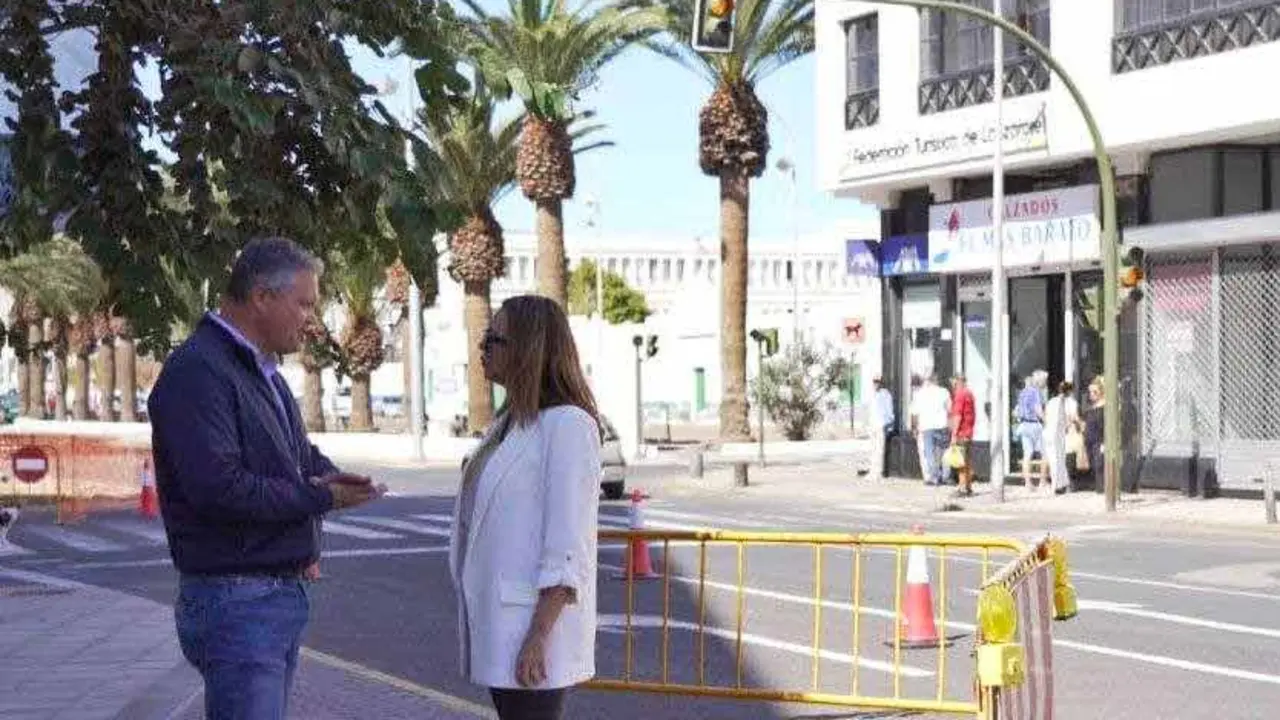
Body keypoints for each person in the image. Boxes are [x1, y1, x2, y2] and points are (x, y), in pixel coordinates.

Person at [149, 237, 385, 720]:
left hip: (265, 597)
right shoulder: (199, 371)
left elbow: (292, 456)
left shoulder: (263, 373)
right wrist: (320, 497)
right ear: (262, 297)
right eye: (303, 304)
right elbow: (219, 488)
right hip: (237, 599)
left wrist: (329, 476)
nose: (310, 319)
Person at [449, 295, 601, 720]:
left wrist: (539, 633)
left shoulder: (567, 425)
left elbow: (567, 542)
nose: (482, 350)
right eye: (484, 339)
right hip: (499, 623)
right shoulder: (508, 424)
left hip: (533, 629)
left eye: (493, 340)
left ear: (528, 349)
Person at [909, 374, 952, 486]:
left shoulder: (920, 394)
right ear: (937, 381)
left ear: (928, 381)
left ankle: (933, 477)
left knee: (929, 453)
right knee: (941, 452)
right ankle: (944, 476)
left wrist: (914, 428)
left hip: (926, 426)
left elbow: (914, 413)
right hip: (941, 425)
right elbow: (949, 410)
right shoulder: (944, 392)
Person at [1044, 381, 1081, 495]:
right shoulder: (1071, 402)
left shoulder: (1051, 402)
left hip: (1050, 433)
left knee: (1054, 459)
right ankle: (1067, 485)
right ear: (1070, 391)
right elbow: (1073, 417)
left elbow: (1046, 417)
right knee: (1068, 458)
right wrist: (1080, 426)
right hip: (1066, 433)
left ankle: (1056, 484)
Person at [1014, 374, 1047, 490]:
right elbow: (1038, 409)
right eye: (1044, 381)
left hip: (1024, 425)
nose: (1045, 383)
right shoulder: (1036, 392)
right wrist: (1046, 421)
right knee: (1044, 453)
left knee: (1027, 455)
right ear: (1040, 382)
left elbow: (1017, 412)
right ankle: (1042, 482)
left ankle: (1028, 483)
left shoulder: (1022, 393)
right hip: (1035, 425)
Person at [949, 374, 977, 497]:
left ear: (957, 383)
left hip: (961, 432)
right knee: (967, 461)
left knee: (960, 461)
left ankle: (962, 488)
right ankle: (968, 486)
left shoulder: (959, 395)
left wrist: (954, 434)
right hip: (968, 431)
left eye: (953, 384)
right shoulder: (969, 394)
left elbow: (957, 415)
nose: (953, 387)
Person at [868, 375, 895, 479]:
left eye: (877, 382)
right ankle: (872, 470)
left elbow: (889, 410)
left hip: (881, 424)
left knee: (879, 449)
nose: (876, 384)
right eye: (874, 382)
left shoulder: (885, 394)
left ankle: (878, 472)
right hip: (872, 424)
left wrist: (889, 423)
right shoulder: (872, 394)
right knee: (873, 449)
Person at [1083, 377, 1107, 494]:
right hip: (1090, 440)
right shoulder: (1091, 407)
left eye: (1095, 392)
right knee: (1093, 463)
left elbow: (1105, 426)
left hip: (1099, 440)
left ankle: (1101, 488)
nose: (1091, 395)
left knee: (1099, 464)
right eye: (1090, 392)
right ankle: (1098, 486)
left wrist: (1104, 442)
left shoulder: (1104, 407)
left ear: (1101, 393)